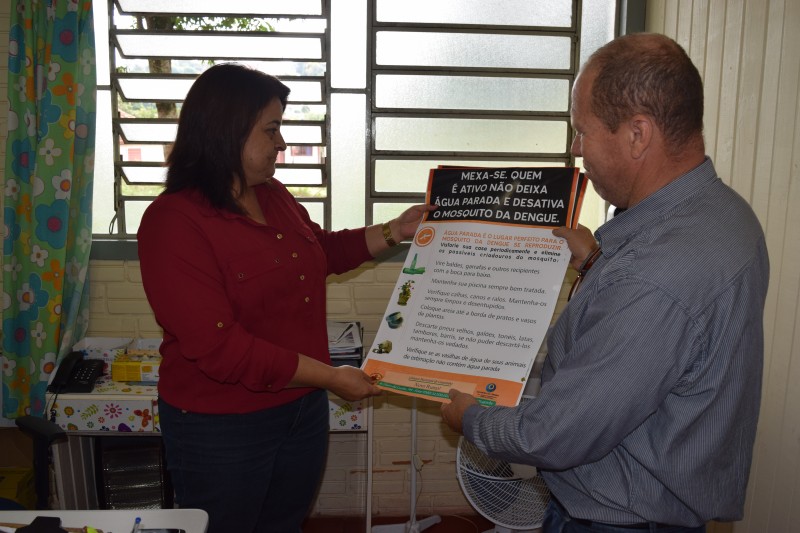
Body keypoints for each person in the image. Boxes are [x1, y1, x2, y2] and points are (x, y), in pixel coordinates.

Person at [442, 33, 769, 533]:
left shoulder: (657, 275)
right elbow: (675, 334)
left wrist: (470, 419)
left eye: (582, 131)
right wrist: (596, 263)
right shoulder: (727, 214)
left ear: (637, 134)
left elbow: (555, 434)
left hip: (616, 519)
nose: (577, 150)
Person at [137, 63, 435, 533]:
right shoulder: (173, 221)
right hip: (223, 424)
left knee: (284, 523)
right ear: (227, 130)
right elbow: (220, 348)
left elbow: (322, 251)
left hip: (300, 408)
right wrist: (332, 377)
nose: (281, 143)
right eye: (271, 129)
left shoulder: (271, 194)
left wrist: (395, 230)